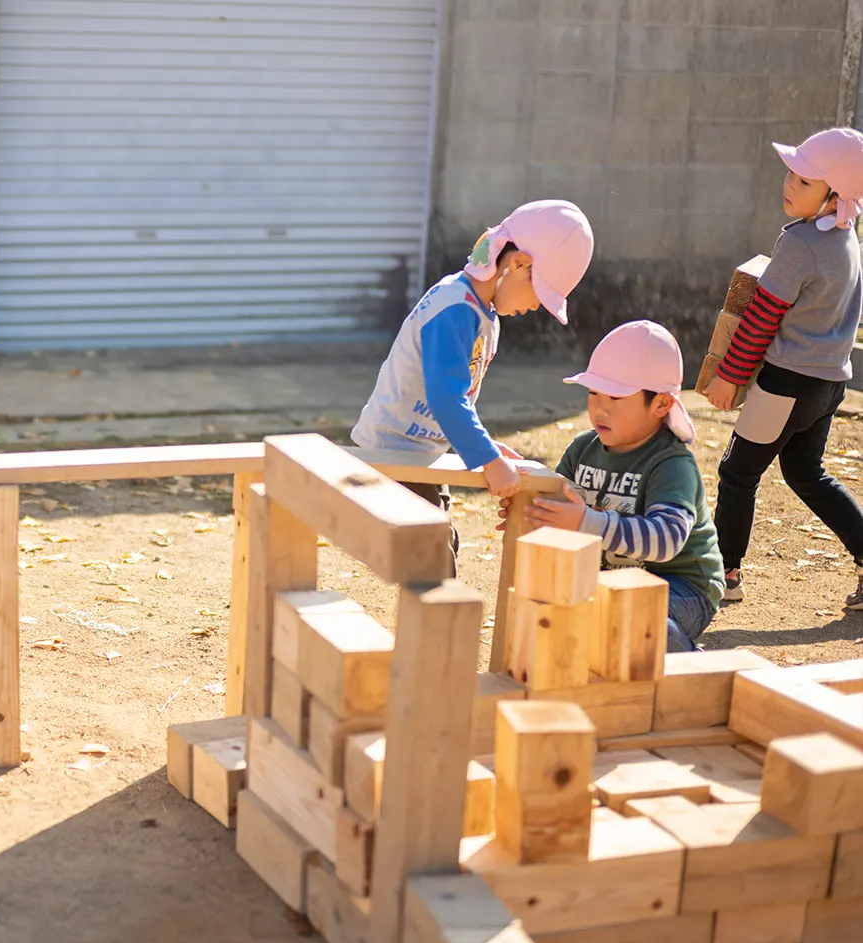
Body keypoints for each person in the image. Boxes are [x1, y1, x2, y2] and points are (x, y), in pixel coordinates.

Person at [349, 200, 594, 557]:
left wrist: (488, 448)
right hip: (392, 455)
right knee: (434, 557)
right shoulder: (456, 309)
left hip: (422, 454)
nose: (535, 307)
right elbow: (446, 398)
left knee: (443, 547)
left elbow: (455, 400)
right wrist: (490, 461)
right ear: (518, 264)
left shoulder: (480, 312)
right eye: (539, 294)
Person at [702, 127, 863, 609]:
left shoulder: (799, 243)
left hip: (785, 384)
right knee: (807, 474)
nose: (790, 185)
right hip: (829, 384)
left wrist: (729, 376)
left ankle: (722, 574)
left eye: (805, 181)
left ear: (835, 195)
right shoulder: (847, 237)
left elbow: (762, 315)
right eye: (792, 173)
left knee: (737, 472)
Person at [509, 321, 724, 652]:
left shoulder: (671, 463)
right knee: (555, 609)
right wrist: (531, 513)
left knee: (632, 618)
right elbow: (561, 508)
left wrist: (584, 522)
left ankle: (688, 662)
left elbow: (665, 540)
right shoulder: (582, 449)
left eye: (616, 396)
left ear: (662, 405)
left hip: (681, 586)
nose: (599, 407)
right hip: (607, 581)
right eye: (593, 392)